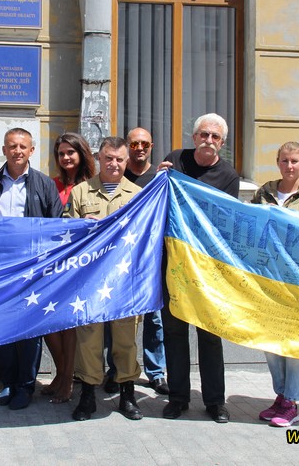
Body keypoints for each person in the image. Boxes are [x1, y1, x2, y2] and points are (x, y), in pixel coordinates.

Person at [157, 113, 240, 423]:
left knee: (210, 336)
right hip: (175, 264)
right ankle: (178, 397)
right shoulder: (175, 160)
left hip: (208, 269)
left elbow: (225, 222)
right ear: (194, 138)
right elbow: (160, 201)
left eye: (215, 137)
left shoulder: (229, 175)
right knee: (175, 334)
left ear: (223, 142)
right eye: (204, 134)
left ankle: (215, 401)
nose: (209, 140)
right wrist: (159, 178)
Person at [0, 128, 63, 410]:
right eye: (12, 146)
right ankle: (8, 383)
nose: (17, 151)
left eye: (23, 146)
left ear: (31, 150)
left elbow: (56, 225)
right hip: (1, 268)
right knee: (3, 327)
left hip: (33, 269)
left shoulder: (44, 184)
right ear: (4, 150)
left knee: (29, 330)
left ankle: (25, 386)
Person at [67, 137, 144, 422]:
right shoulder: (80, 194)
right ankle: (87, 394)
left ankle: (127, 393)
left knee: (125, 340)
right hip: (89, 282)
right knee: (89, 339)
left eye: (120, 159)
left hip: (124, 283)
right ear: (99, 158)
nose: (114, 164)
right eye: (109, 158)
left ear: (127, 161)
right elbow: (69, 237)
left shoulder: (138, 195)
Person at [251, 141, 299, 427]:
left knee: (294, 342)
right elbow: (253, 222)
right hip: (269, 277)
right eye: (284, 160)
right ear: (278, 162)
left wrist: (283, 222)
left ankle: (292, 403)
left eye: (295, 161)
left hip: (298, 280)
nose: (289, 166)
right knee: (271, 338)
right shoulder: (265, 191)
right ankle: (280, 395)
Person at [43, 132, 95, 403]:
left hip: (81, 266)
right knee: (49, 323)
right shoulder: (51, 185)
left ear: (81, 153)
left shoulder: (92, 185)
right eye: (61, 154)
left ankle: (67, 381)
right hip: (54, 265)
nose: (65, 158)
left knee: (69, 323)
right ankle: (63, 373)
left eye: (70, 153)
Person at [125, 127, 168, 396]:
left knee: (154, 320)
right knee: (122, 320)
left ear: (151, 146)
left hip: (153, 259)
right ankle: (119, 369)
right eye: (134, 144)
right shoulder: (118, 176)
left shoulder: (161, 177)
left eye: (144, 144)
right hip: (124, 260)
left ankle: (156, 372)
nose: (139, 148)